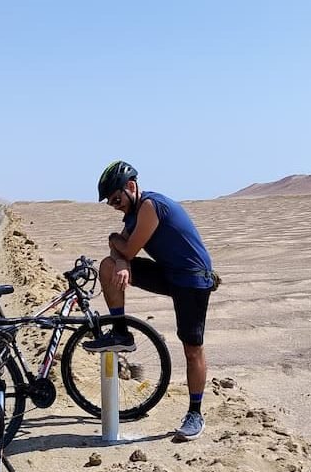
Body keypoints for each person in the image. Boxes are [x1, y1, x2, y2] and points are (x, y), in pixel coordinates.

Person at [83, 161, 216, 440]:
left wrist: (120, 251)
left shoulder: (149, 207)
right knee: (108, 266)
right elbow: (119, 249)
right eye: (110, 203)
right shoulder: (132, 214)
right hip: (169, 273)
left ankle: (195, 413)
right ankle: (121, 332)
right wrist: (119, 260)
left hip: (192, 278)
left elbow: (127, 247)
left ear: (131, 187)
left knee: (192, 348)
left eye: (117, 199)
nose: (115, 205)